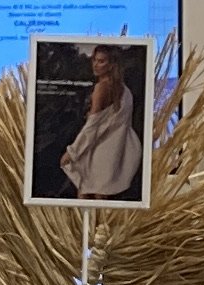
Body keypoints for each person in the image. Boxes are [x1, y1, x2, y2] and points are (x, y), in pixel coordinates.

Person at [59, 44, 144, 200]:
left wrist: (72, 151)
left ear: (111, 65)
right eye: (94, 60)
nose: (95, 65)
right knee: (101, 197)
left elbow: (92, 126)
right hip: (116, 151)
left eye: (101, 61)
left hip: (98, 150)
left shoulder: (101, 88)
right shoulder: (125, 91)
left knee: (86, 193)